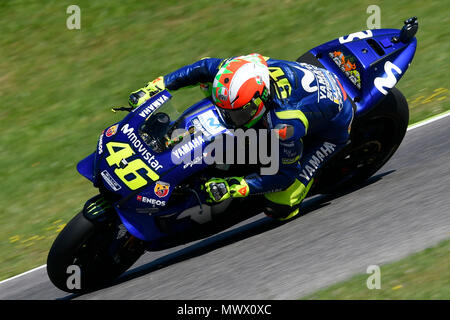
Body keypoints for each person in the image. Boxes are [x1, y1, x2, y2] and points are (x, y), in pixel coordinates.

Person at [128, 54, 354, 220]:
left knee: (281, 206)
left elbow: (284, 174)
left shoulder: (285, 123)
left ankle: (308, 180)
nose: (229, 117)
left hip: (332, 128)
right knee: (210, 78)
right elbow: (203, 66)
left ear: (260, 100)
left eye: (238, 113)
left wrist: (234, 187)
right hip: (302, 87)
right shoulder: (239, 70)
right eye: (225, 108)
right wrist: (157, 86)